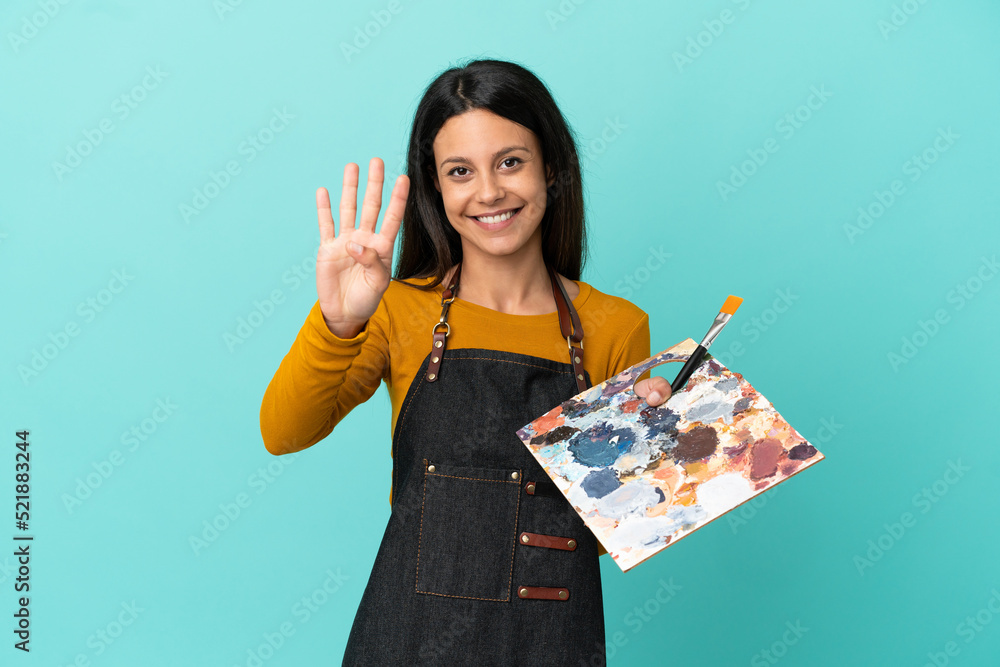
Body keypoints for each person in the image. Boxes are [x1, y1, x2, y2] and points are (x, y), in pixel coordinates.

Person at [259, 58, 673, 665]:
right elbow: (282, 432)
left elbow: (614, 534)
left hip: (549, 646)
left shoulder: (616, 326)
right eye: (460, 171)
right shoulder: (397, 308)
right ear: (437, 189)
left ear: (551, 169)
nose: (488, 191)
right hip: (405, 644)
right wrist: (340, 323)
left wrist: (655, 447)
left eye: (511, 161)